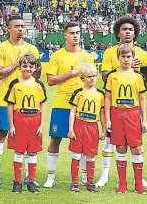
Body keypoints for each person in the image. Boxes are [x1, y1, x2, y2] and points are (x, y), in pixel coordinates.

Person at [97, 15, 147, 188]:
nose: (127, 32)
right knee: (111, 142)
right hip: (114, 108)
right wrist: (120, 68)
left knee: (136, 144)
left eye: (131, 29)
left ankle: (139, 180)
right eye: (124, 29)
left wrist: (134, 70)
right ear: (118, 33)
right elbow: (105, 76)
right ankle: (105, 175)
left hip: (132, 109)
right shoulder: (109, 52)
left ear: (135, 33)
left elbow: (145, 80)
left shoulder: (143, 54)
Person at [0, 15, 40, 187]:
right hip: (5, 100)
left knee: (28, 138)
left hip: (28, 104)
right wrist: (17, 63)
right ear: (9, 28)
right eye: (16, 26)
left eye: (22, 26)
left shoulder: (32, 48)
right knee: (1, 134)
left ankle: (28, 177)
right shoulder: (1, 48)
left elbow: (37, 74)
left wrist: (31, 67)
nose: (20, 29)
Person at [43, 21, 94, 188]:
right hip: (62, 104)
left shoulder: (87, 57)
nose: (76, 35)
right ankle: (50, 176)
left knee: (86, 142)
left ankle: (86, 178)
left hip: (82, 107)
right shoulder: (57, 56)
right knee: (55, 139)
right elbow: (50, 80)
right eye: (72, 32)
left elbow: (91, 80)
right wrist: (71, 74)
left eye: (78, 32)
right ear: (65, 35)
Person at [104, 43, 147, 194]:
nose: (126, 59)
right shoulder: (112, 76)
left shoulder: (138, 76)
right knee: (121, 147)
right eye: (122, 56)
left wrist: (144, 120)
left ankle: (138, 185)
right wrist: (108, 119)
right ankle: (122, 184)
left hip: (133, 114)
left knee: (136, 148)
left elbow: (142, 99)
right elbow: (108, 98)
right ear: (118, 58)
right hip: (117, 113)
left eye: (128, 56)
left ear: (133, 57)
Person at [5, 53, 46, 194]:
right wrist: (11, 125)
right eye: (25, 66)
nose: (28, 69)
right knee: (19, 151)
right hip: (20, 119)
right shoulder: (15, 84)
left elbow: (42, 105)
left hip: (34, 119)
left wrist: (41, 125)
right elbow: (10, 105)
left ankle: (31, 181)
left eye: (31, 66)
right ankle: (17, 182)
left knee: (33, 152)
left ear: (35, 68)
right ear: (20, 67)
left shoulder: (39, 85)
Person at [67, 64, 105, 193]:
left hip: (93, 127)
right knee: (77, 154)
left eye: (94, 76)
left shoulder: (100, 94)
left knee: (91, 155)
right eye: (89, 76)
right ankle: (74, 182)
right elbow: (72, 111)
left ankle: (90, 182)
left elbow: (102, 113)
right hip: (79, 125)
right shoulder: (78, 93)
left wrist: (104, 129)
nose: (92, 79)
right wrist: (71, 129)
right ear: (82, 78)